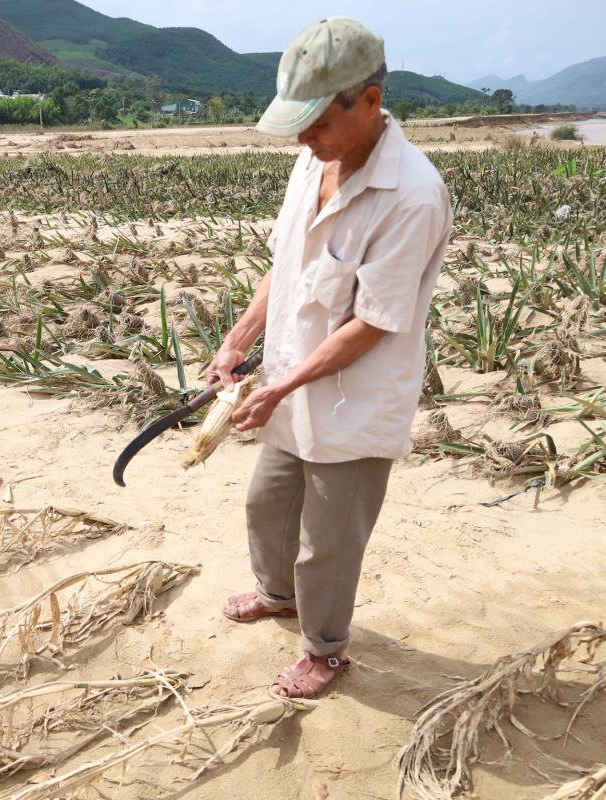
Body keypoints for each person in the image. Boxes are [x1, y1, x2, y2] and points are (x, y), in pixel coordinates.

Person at [209, 17, 453, 699]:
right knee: (267, 505)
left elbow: (373, 323)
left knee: (329, 540)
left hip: (355, 399)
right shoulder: (314, 160)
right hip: (292, 380)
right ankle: (277, 595)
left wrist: (279, 386)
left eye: (315, 123)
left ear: (369, 101)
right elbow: (286, 266)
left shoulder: (412, 195)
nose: (303, 138)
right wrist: (238, 341)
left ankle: (325, 650)